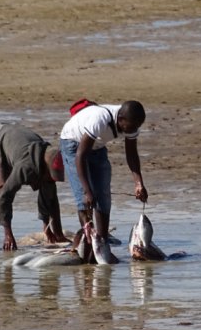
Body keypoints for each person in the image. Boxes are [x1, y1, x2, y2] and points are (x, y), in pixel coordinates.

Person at [59, 100, 149, 264]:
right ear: (120, 119)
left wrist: (138, 183)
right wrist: (87, 191)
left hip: (97, 146)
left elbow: (131, 155)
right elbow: (80, 156)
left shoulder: (131, 123)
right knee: (85, 199)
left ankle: (102, 244)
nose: (134, 130)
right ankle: (88, 245)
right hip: (73, 143)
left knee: (103, 195)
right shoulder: (99, 119)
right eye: (131, 127)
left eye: (137, 126)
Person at [0, 122, 68, 251]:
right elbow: (5, 197)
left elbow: (50, 198)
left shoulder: (47, 156)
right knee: (1, 193)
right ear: (45, 168)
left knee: (48, 186)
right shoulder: (26, 167)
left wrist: (49, 228)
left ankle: (56, 233)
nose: (50, 179)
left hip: (13, 148)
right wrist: (8, 234)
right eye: (50, 175)